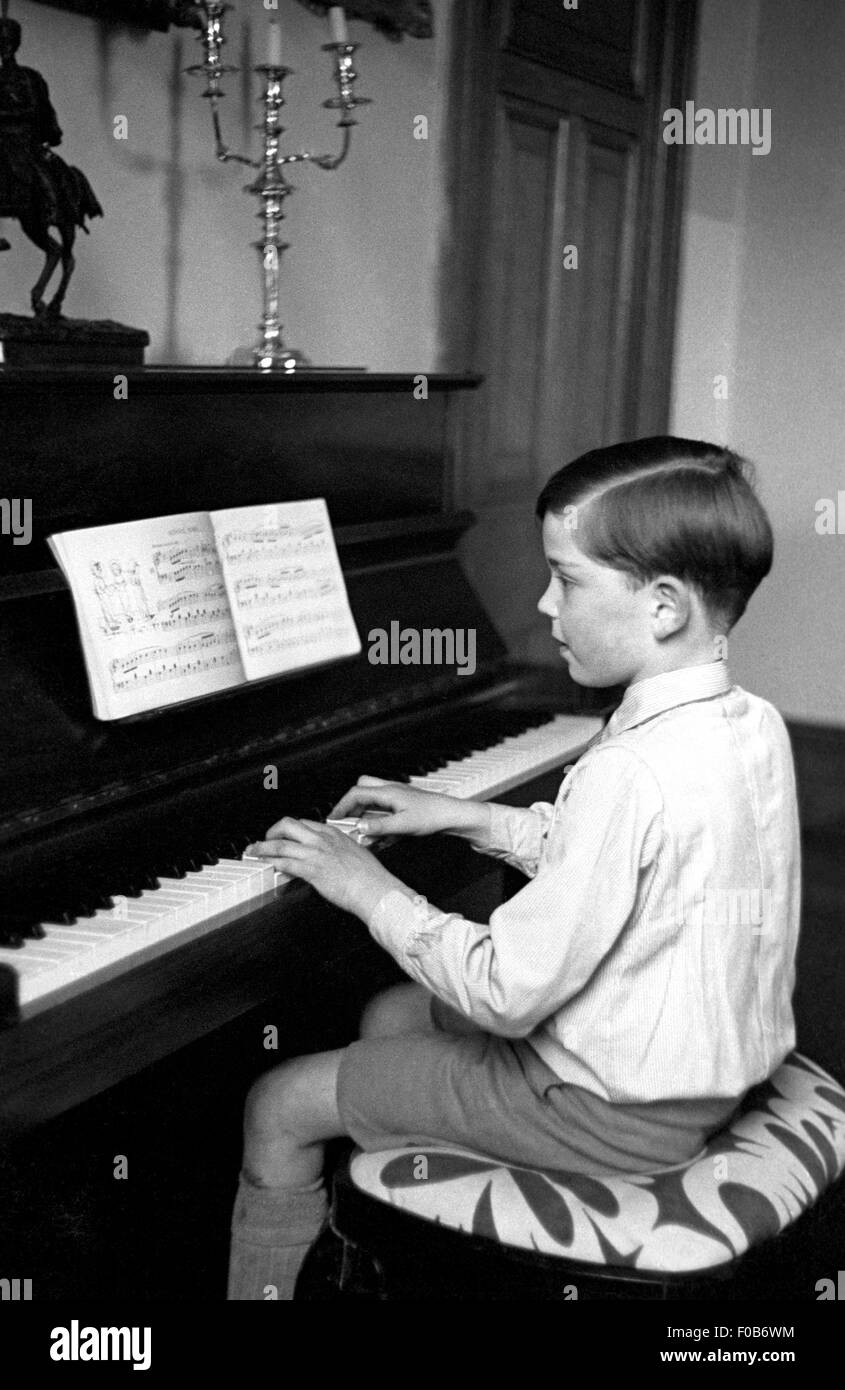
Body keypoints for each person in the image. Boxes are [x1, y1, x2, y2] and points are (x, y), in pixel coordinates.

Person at [227, 435, 799, 1301]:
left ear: (665, 606)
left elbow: (504, 992)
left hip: (607, 1114)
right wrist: (470, 817)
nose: (543, 603)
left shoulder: (631, 767)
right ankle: (408, 1250)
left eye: (566, 579)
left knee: (278, 1100)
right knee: (389, 1010)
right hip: (699, 1076)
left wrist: (366, 887)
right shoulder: (746, 722)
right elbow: (620, 864)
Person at [0, 17, 62, 239]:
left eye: (7, 43)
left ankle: (48, 203)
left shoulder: (27, 77)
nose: (3, 48)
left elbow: (35, 109)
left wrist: (5, 116)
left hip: (18, 136)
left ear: (14, 45)